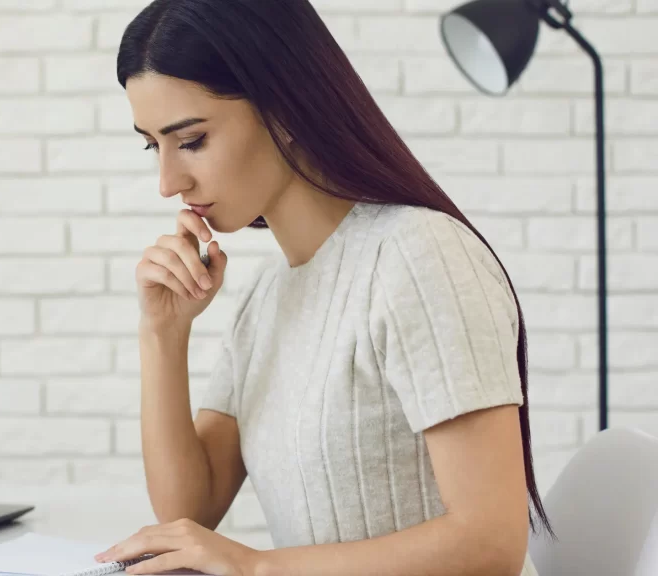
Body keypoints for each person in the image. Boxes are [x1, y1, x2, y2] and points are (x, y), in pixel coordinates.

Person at [92, 1, 552, 575]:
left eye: (191, 140)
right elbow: (189, 510)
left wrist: (258, 567)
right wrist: (163, 332)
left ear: (284, 108)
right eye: (150, 145)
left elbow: (491, 543)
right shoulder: (268, 296)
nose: (167, 182)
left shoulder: (418, 256)